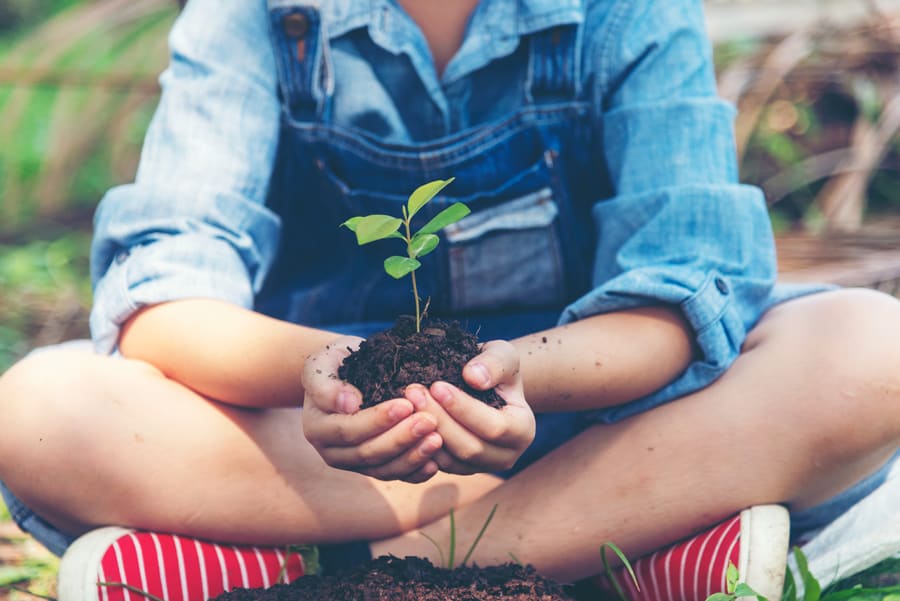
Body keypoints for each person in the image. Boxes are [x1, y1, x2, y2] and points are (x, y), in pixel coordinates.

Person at [1, 0, 899, 599]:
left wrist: (517, 376)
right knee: (38, 410)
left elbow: (680, 291)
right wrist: (335, 375)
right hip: (327, 449)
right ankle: (624, 545)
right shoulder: (253, 20)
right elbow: (167, 294)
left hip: (594, 420)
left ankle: (343, 572)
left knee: (870, 349)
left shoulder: (625, 13)